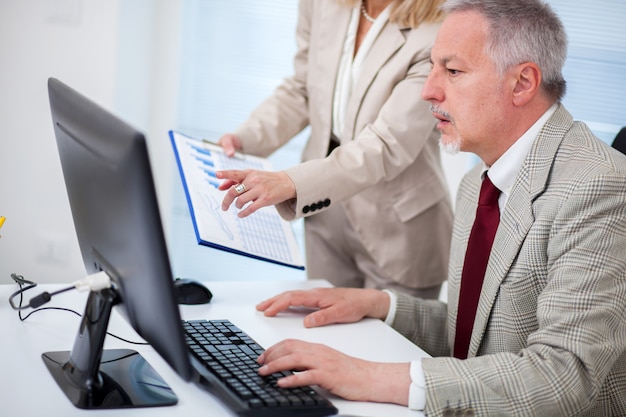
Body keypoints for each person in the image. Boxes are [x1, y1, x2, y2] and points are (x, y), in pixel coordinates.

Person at [252, 0, 626, 415]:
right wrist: (380, 305)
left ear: (522, 83)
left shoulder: (600, 187)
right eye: (432, 68)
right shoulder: (477, 182)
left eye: (452, 71)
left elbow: (560, 376)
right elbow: (481, 335)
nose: (428, 90)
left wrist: (369, 376)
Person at [215, 0, 454, 299]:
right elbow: (304, 89)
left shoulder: (440, 28)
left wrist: (291, 182)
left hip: (397, 221)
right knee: (323, 331)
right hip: (324, 207)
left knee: (385, 343)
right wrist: (245, 140)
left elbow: (386, 143)